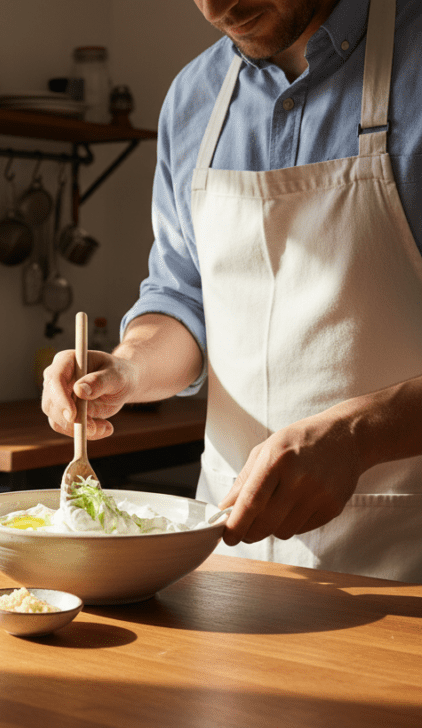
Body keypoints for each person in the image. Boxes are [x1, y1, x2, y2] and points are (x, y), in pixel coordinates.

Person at [41, 0, 422, 582]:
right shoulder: (194, 97)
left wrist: (358, 434)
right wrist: (127, 368)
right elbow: (183, 300)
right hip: (228, 562)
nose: (217, 7)